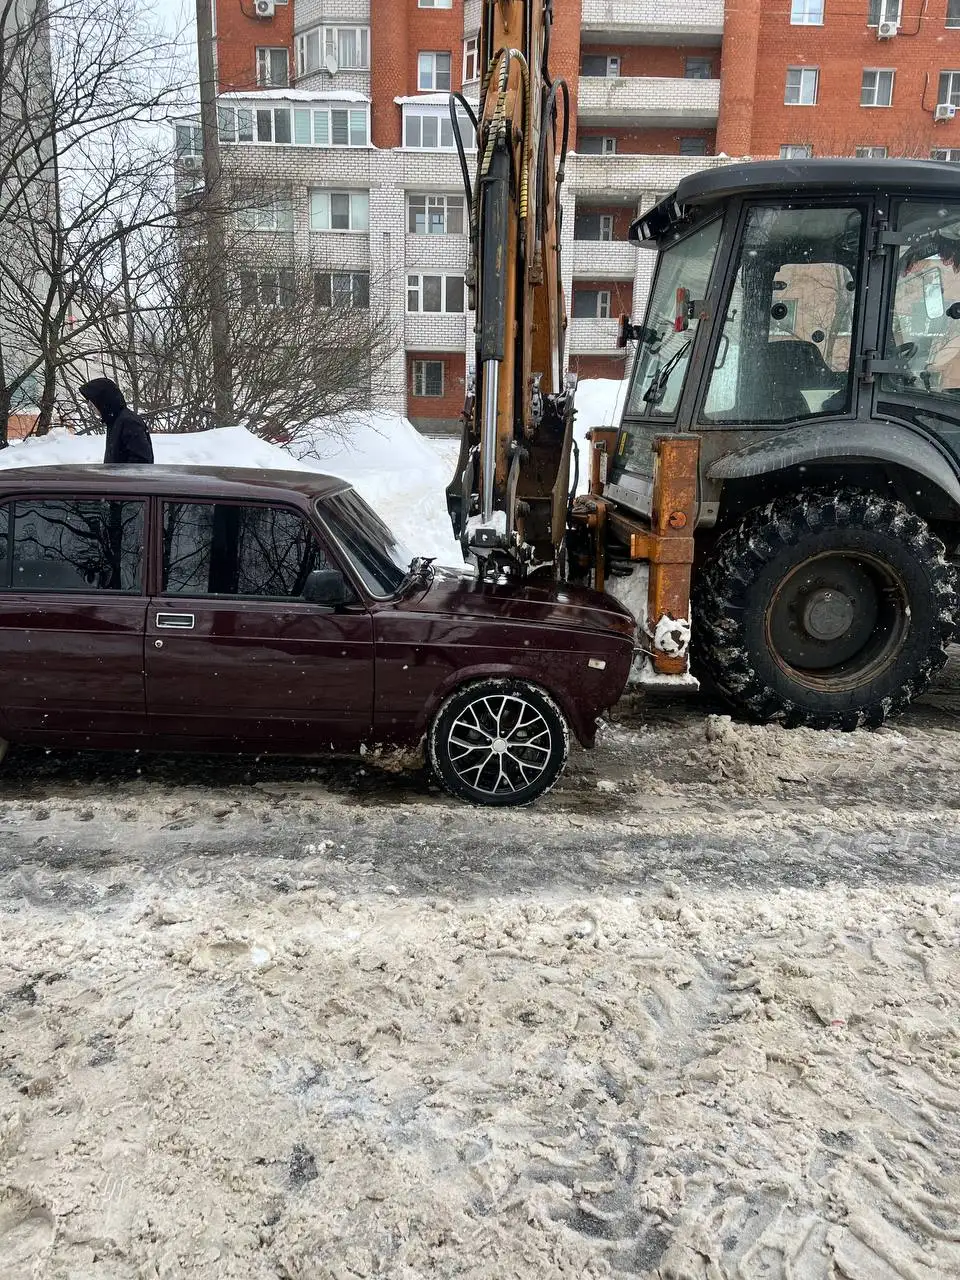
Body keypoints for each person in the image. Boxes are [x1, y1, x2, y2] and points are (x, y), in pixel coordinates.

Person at [79, 377, 154, 464]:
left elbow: (141, 464)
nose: (90, 407)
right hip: (116, 477)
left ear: (103, 401)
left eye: (92, 403)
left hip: (126, 477)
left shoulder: (129, 422)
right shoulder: (114, 420)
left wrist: (119, 476)